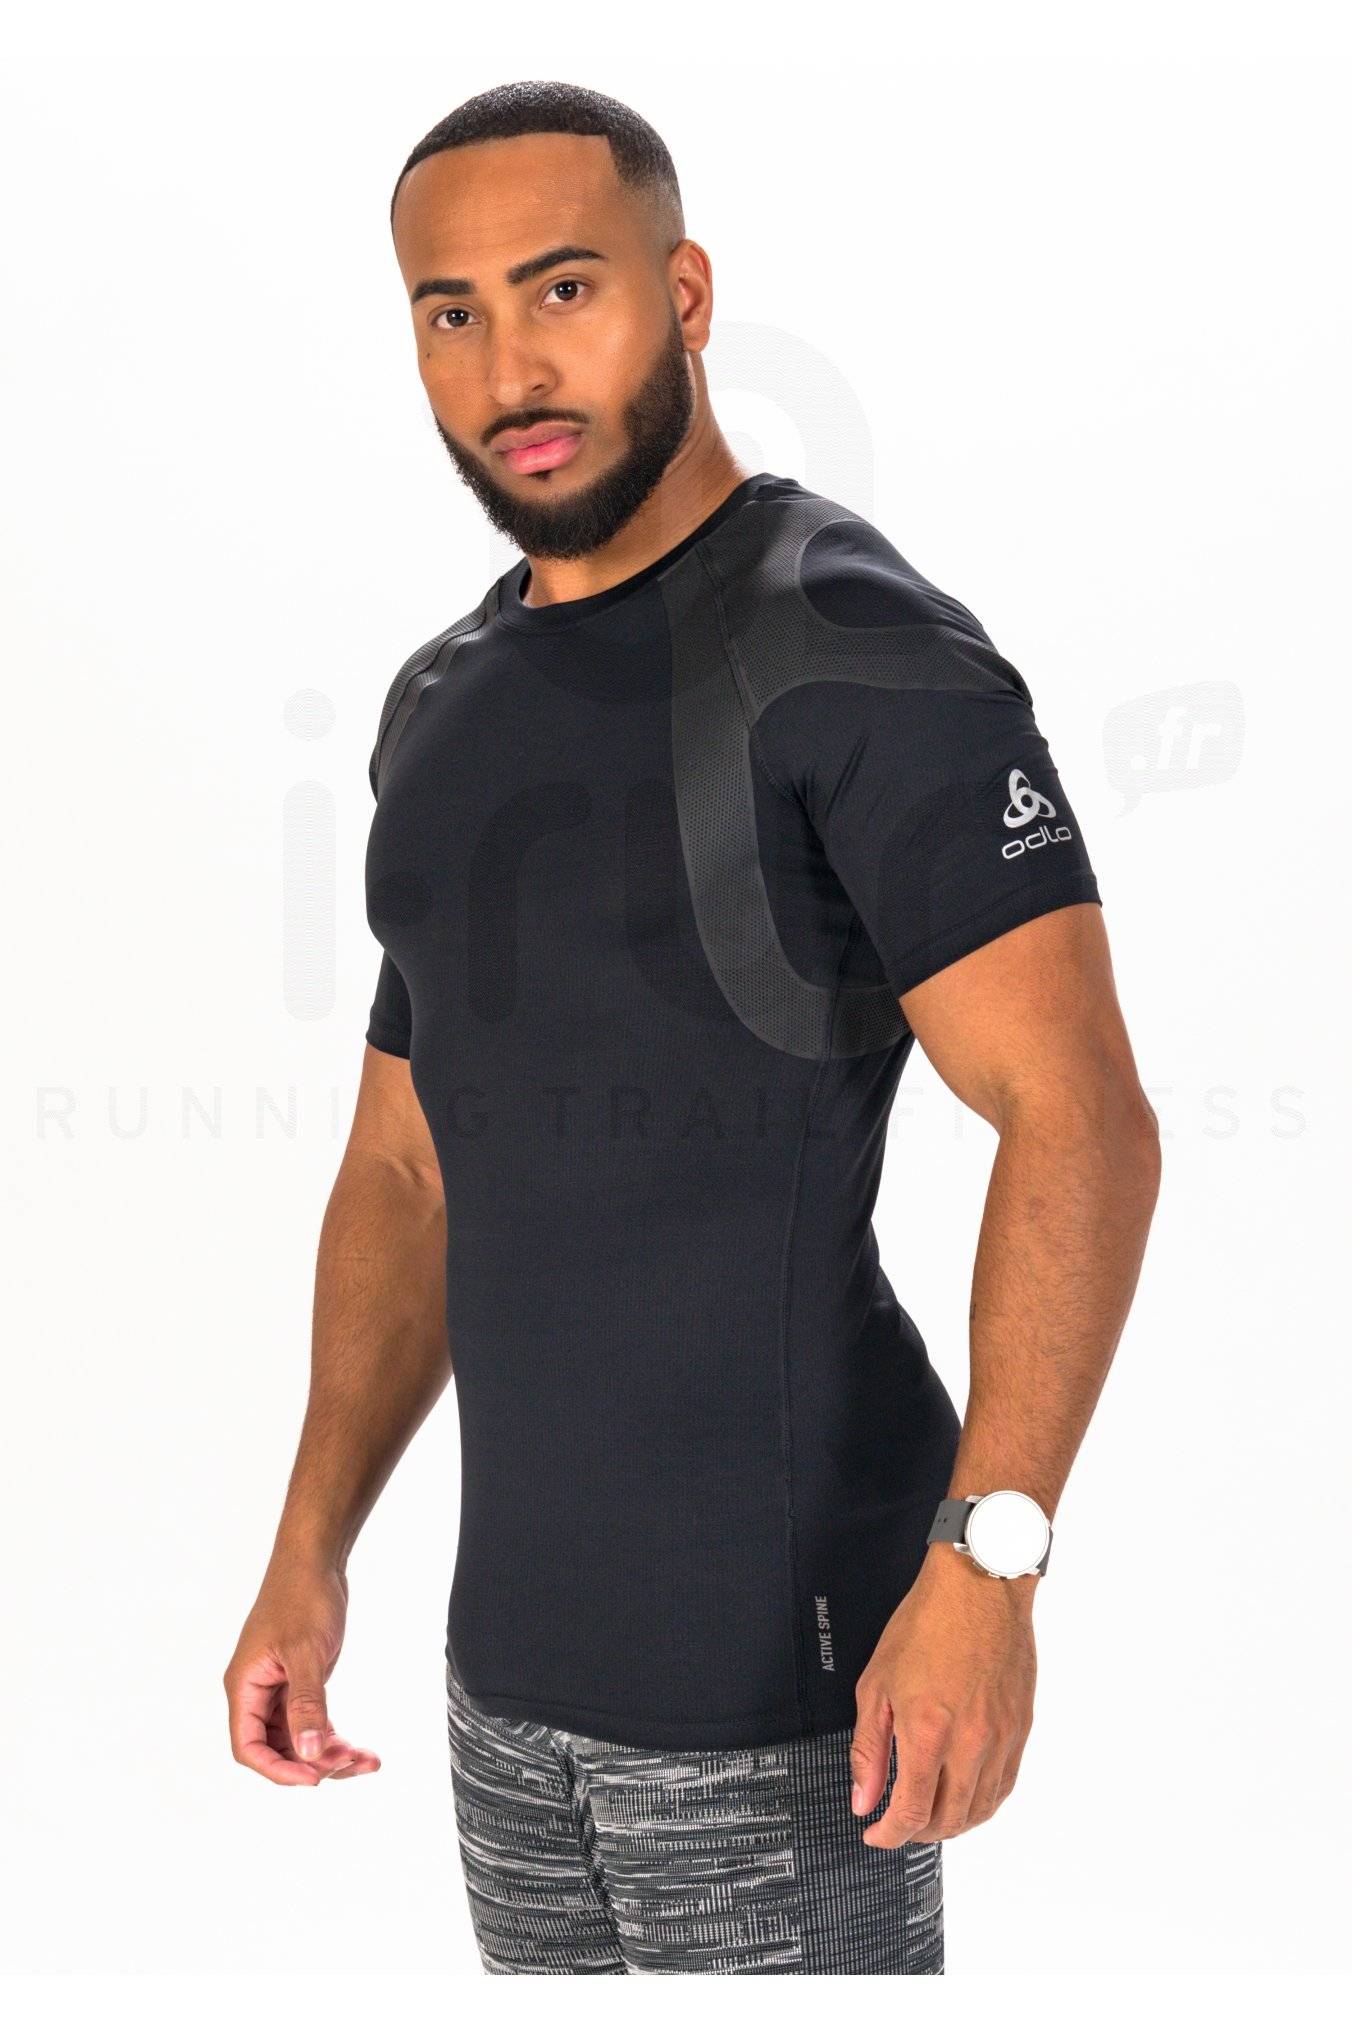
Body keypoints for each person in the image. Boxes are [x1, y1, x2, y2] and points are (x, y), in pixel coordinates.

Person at [223, 80, 1161, 1976]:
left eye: (563, 288)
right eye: (452, 311)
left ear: (688, 291)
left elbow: (1079, 1114)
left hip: (793, 1694)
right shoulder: (441, 700)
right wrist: (310, 1544)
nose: (510, 366)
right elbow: (409, 1167)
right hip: (507, 1694)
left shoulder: (852, 643)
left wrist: (991, 1564)